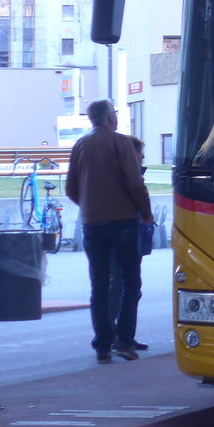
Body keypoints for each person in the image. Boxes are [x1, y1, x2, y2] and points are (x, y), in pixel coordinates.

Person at [65, 99, 153, 364]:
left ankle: (102, 346)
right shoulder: (121, 142)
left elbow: (70, 187)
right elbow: (135, 182)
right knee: (130, 282)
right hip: (122, 222)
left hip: (92, 224)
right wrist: (146, 213)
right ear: (111, 118)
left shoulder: (80, 145)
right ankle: (125, 342)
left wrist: (91, 206)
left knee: (100, 285)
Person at [108, 135, 150, 352]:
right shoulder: (125, 176)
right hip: (125, 233)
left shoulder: (124, 174)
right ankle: (116, 336)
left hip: (130, 233)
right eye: (139, 152)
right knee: (122, 286)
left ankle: (121, 335)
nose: (142, 156)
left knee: (124, 286)